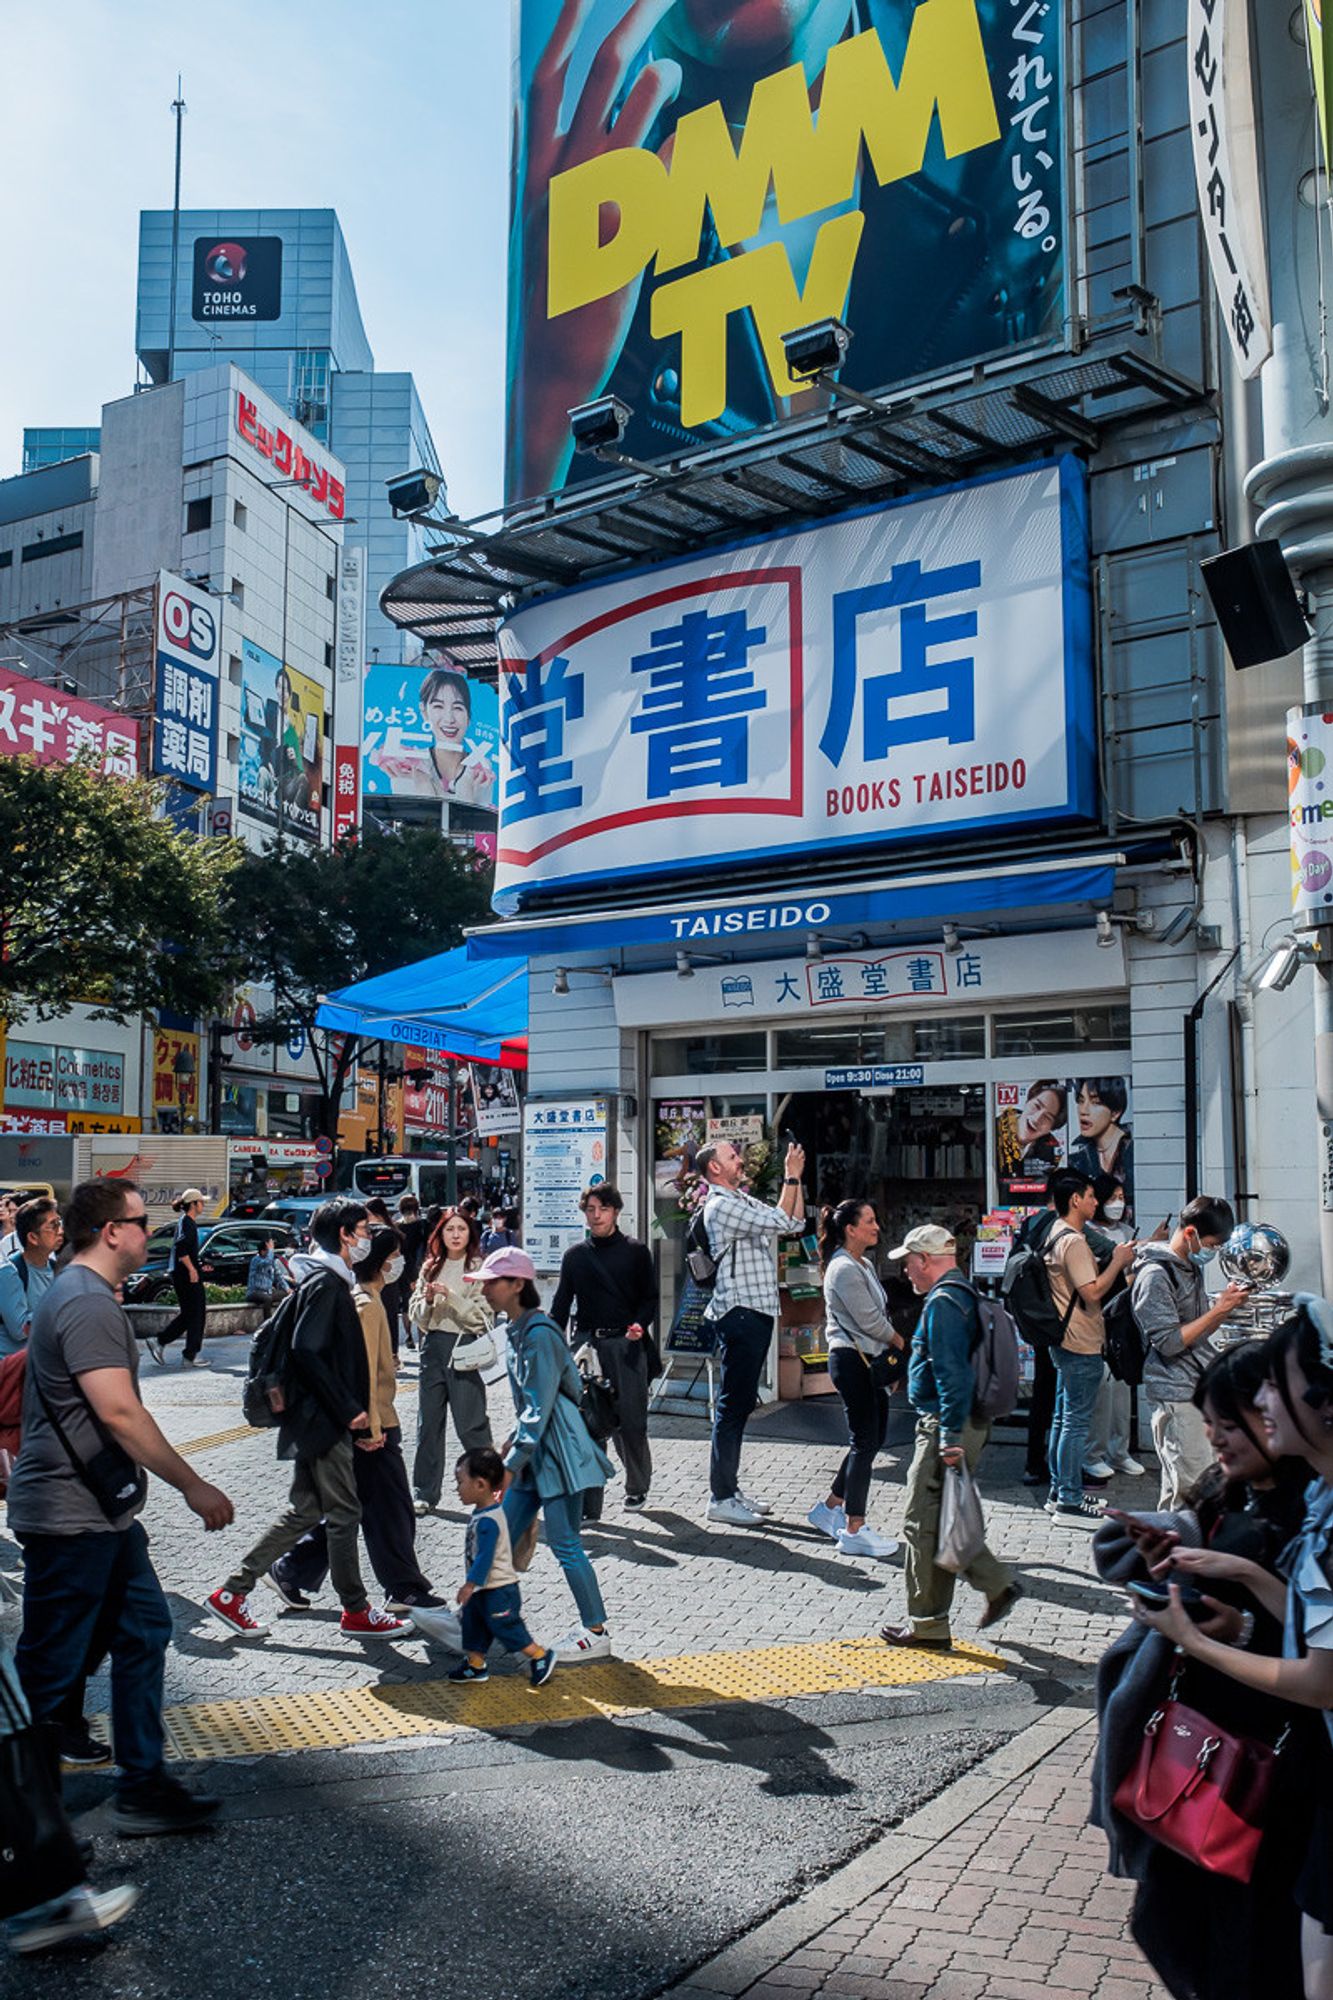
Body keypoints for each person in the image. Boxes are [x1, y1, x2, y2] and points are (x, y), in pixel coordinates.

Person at [1090, 1344, 1317, 2000]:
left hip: (1271, 1765)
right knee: (1165, 1916)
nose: (1215, 1436)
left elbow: (1315, 1653)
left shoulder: (1312, 1516)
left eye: (1231, 1419)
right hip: (1195, 1745)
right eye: (1209, 1422)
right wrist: (1167, 1561)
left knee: (1245, 1944)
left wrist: (1239, 1629)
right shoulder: (1229, 1492)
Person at [8, 1178, 233, 1834]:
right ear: (111, 1231)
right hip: (68, 1516)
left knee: (143, 1632)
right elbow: (117, 1410)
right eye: (141, 1223)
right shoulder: (85, 1302)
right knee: (48, 1675)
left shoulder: (82, 1294)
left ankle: (142, 1786)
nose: (149, 1233)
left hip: (101, 1513)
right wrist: (193, 1484)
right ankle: (28, 1836)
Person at [205, 1197, 409, 1641]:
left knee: (307, 1510)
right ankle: (355, 1609)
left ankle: (231, 1593)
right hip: (322, 1419)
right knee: (344, 1511)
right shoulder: (326, 1284)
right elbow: (307, 1350)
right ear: (344, 1235)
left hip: (314, 1416)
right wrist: (349, 1408)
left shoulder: (322, 1278)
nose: (366, 1240)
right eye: (362, 1231)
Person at [267, 1227, 443, 1616]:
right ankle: (403, 1587)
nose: (400, 1262)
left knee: (355, 1509)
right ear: (384, 1262)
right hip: (373, 1426)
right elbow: (358, 1372)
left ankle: (292, 1569)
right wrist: (370, 1428)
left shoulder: (372, 1299)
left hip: (375, 1422)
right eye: (396, 1254)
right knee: (390, 1510)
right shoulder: (367, 1304)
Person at [464, 1247, 614, 1662]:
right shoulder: (519, 1329)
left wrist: (509, 1463)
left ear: (518, 1285)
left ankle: (595, 1630)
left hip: (558, 1453)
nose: (487, 1290)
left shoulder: (539, 1333)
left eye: (494, 1282)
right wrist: (515, 1446)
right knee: (498, 1538)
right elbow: (534, 1405)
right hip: (536, 1453)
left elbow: (539, 1406)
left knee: (566, 1543)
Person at [879, 1225, 1019, 1650]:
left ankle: (988, 1588)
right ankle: (932, 1622)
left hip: (944, 1422)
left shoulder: (942, 1303)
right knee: (939, 1518)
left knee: (921, 1521)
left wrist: (950, 1434)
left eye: (909, 1262)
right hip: (959, 1421)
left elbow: (952, 1373)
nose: (906, 1272)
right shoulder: (964, 1293)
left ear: (925, 1260)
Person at [697, 1137, 807, 1527]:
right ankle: (721, 1496)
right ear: (714, 1167)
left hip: (755, 1311)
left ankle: (730, 1488)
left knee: (740, 1406)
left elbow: (794, 1222)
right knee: (732, 1406)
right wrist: (791, 1178)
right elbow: (781, 1220)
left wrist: (795, 1184)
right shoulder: (722, 1205)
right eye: (731, 1156)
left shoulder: (740, 1199)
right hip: (740, 1312)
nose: (739, 1160)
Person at [1130, 1196, 1246, 1509]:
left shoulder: (1186, 1268)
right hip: (1175, 1393)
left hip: (1195, 1389)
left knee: (1188, 1488)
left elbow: (1195, 1329)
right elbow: (1168, 1342)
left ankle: (1174, 1550)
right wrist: (1218, 1311)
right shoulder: (1155, 1275)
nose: (1214, 1252)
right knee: (1191, 1494)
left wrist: (1222, 1308)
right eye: (1213, 1244)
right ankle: (1184, 1552)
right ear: (1191, 1233)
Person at [551, 1183, 658, 1512]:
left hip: (626, 1344)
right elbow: (560, 1305)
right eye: (590, 1210)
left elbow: (649, 1297)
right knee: (589, 1423)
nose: (596, 1216)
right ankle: (589, 1504)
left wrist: (640, 1324)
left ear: (616, 1212)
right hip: (587, 1347)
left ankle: (638, 1486)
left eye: (603, 1209)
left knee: (632, 1421)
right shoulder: (575, 1257)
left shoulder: (636, 1251)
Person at [808, 1199, 903, 1558]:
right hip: (851, 1360)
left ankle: (831, 1505)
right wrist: (899, 1341)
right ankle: (854, 1527)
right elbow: (870, 1320)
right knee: (864, 1441)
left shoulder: (860, 1263)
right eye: (870, 1220)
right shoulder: (844, 1268)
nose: (876, 1226)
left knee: (873, 1437)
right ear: (850, 1229)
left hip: (866, 1359)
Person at [1042, 1171, 1137, 1526]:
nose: (1097, 1202)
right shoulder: (1074, 1241)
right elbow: (1093, 1292)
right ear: (1075, 1201)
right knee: (1075, 1423)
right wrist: (1118, 1262)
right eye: (1091, 1196)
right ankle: (1068, 1499)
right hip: (1080, 1339)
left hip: (1064, 1339)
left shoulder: (1055, 1233)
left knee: (1063, 1418)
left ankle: (1059, 1492)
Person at [446, 1446, 557, 1687]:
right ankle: (476, 1666)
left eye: (460, 1482)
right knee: (473, 1626)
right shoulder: (483, 1513)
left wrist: (469, 1585)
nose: (457, 1489)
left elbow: (485, 1557)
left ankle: (539, 1655)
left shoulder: (488, 1521)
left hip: (499, 1589)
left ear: (480, 1485)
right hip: (483, 1590)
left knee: (505, 1627)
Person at [409, 1208, 495, 1514]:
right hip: (432, 1348)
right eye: (449, 1229)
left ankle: (488, 1489)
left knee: (471, 1425)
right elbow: (416, 1316)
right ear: (440, 1234)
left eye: (461, 1229)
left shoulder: (478, 1267)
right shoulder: (430, 1266)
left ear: (470, 1233)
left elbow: (484, 1317)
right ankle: (424, 1492)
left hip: (465, 1347)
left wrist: (453, 1298)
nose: (455, 1234)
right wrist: (429, 1300)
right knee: (428, 1424)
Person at [1084, 1178, 1145, 1480]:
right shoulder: (1086, 1235)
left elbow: (1129, 1279)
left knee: (1122, 1386)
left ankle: (1119, 1451)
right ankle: (1093, 1453)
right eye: (1112, 1197)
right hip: (1095, 1319)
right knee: (1102, 1388)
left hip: (1122, 1318)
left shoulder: (1126, 1232)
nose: (1117, 1203)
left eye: (1122, 1196)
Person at [146, 1189, 207, 1369]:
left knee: (190, 1314)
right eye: (201, 1202)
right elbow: (182, 1250)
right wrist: (192, 1270)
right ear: (194, 1204)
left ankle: (161, 1342)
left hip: (182, 1273)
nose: (203, 1205)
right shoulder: (187, 1223)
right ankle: (189, 1354)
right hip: (185, 1274)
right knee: (197, 1313)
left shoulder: (186, 1222)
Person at [0, 1197, 62, 1357]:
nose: (60, 1231)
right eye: (53, 1226)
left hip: (39, 1365)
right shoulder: (9, 1272)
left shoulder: (56, 1269)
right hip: (11, 1371)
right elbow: (20, 1330)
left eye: (59, 1223)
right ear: (33, 1238)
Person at [1068, 1077, 1134, 1201]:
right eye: (1081, 1101)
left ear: (1115, 1112)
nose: (1083, 1110)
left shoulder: (1134, 1151)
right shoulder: (1076, 1161)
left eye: (1096, 1102)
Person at [997, 1081, 1067, 1191]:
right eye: (1037, 1106)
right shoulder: (994, 1130)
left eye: (1048, 1117)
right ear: (1028, 1101)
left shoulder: (1050, 1148)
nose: (1037, 1119)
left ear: (1052, 1128)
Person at [396, 1194, 427, 1350]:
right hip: (421, 1268)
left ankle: (408, 1335)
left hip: (403, 1269)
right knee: (421, 1302)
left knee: (406, 1306)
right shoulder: (423, 1225)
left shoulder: (397, 1227)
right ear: (416, 1209)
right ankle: (421, 1337)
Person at [245, 1234, 288, 1309]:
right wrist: (271, 1250)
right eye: (267, 1251)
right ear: (262, 1251)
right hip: (255, 1292)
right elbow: (266, 1263)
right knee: (267, 1299)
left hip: (268, 1292)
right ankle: (267, 1320)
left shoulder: (271, 1261)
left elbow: (278, 1276)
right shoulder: (256, 1260)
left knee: (287, 1295)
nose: (270, 1253)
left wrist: (287, 1288)